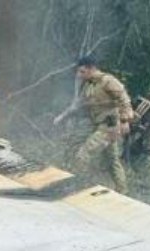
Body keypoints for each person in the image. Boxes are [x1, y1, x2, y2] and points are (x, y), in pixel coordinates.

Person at [53, 55, 134, 194]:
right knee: (112, 161)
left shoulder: (108, 81)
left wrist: (125, 120)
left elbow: (124, 99)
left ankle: (77, 187)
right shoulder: (89, 85)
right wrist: (62, 116)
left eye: (82, 72)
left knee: (83, 154)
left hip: (109, 126)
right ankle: (123, 191)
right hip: (99, 125)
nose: (80, 75)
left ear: (91, 69)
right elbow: (78, 105)